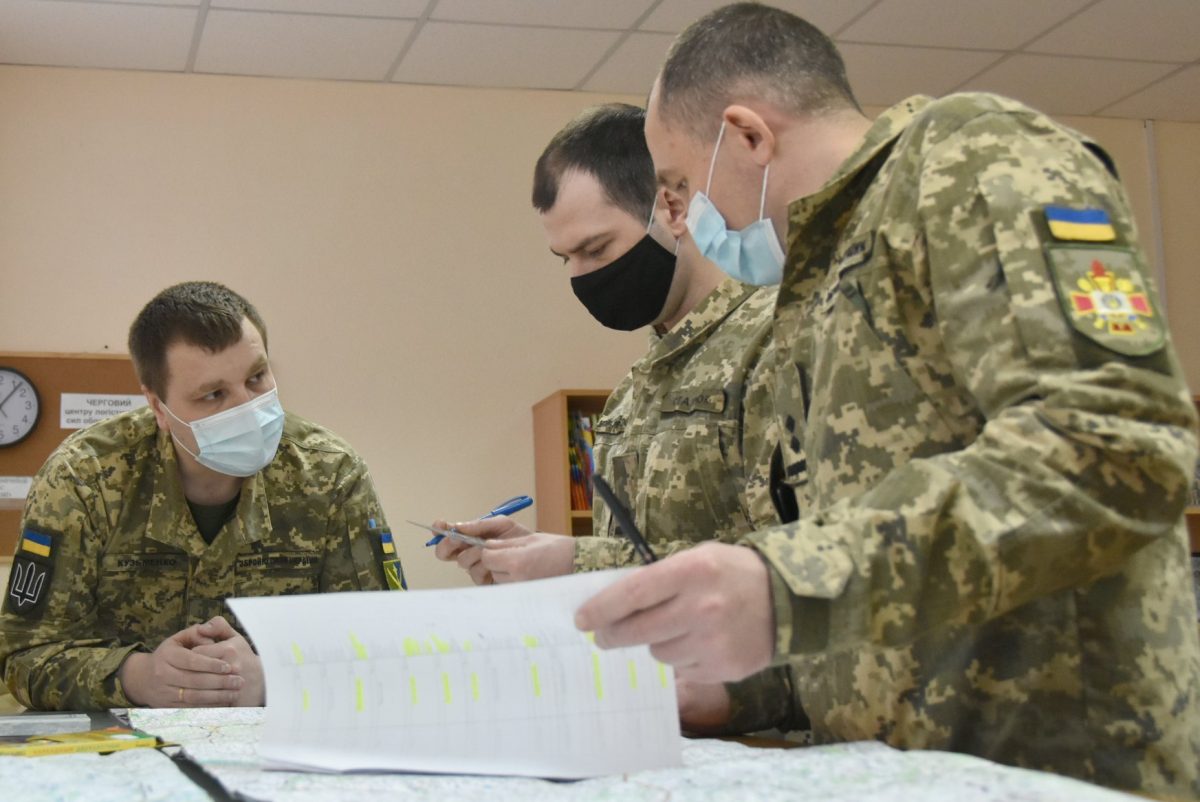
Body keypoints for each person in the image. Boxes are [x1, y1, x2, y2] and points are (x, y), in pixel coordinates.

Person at [574, 3, 1200, 797]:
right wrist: (740, 687)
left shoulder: (970, 159)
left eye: (680, 186)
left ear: (748, 136)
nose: (687, 220)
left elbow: (1116, 450)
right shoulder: (815, 286)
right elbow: (870, 595)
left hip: (1054, 767)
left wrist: (783, 586)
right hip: (896, 771)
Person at [435, 103, 801, 734]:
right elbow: (637, 559)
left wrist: (574, 562)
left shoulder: (779, 341)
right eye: (566, 259)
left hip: (771, 742)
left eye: (595, 248)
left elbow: (806, 570)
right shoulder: (633, 393)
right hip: (652, 733)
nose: (582, 277)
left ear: (673, 210)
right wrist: (538, 570)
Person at [0, 281, 400, 711]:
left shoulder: (332, 475)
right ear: (159, 408)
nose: (246, 407)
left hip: (277, 741)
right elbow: (23, 656)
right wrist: (137, 677)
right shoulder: (84, 479)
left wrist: (273, 681)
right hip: (122, 743)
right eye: (213, 394)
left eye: (256, 377)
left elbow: (390, 652)